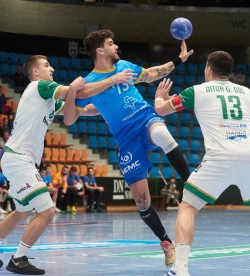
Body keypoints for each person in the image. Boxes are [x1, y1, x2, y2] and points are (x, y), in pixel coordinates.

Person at [0, 54, 134, 274]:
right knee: (48, 211)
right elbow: (77, 90)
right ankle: (19, 258)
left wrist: (111, 106)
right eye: (46, 65)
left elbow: (82, 108)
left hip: (19, 159)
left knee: (22, 210)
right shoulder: (39, 86)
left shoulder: (48, 100)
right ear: (35, 72)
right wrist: (111, 80)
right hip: (19, 158)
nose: (51, 69)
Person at [154, 51, 250, 276]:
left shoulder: (197, 91)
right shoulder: (245, 92)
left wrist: (160, 97)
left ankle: (180, 269)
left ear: (208, 69)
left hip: (220, 157)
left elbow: (161, 110)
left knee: (188, 207)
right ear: (229, 72)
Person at [67, 29, 193, 267]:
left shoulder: (123, 65)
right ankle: (166, 243)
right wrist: (85, 103)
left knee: (162, 134)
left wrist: (178, 60)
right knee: (142, 202)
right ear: (100, 50)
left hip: (144, 118)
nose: (117, 47)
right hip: (126, 139)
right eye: (112, 44)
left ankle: (192, 183)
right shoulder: (88, 83)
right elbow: (73, 115)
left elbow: (152, 74)